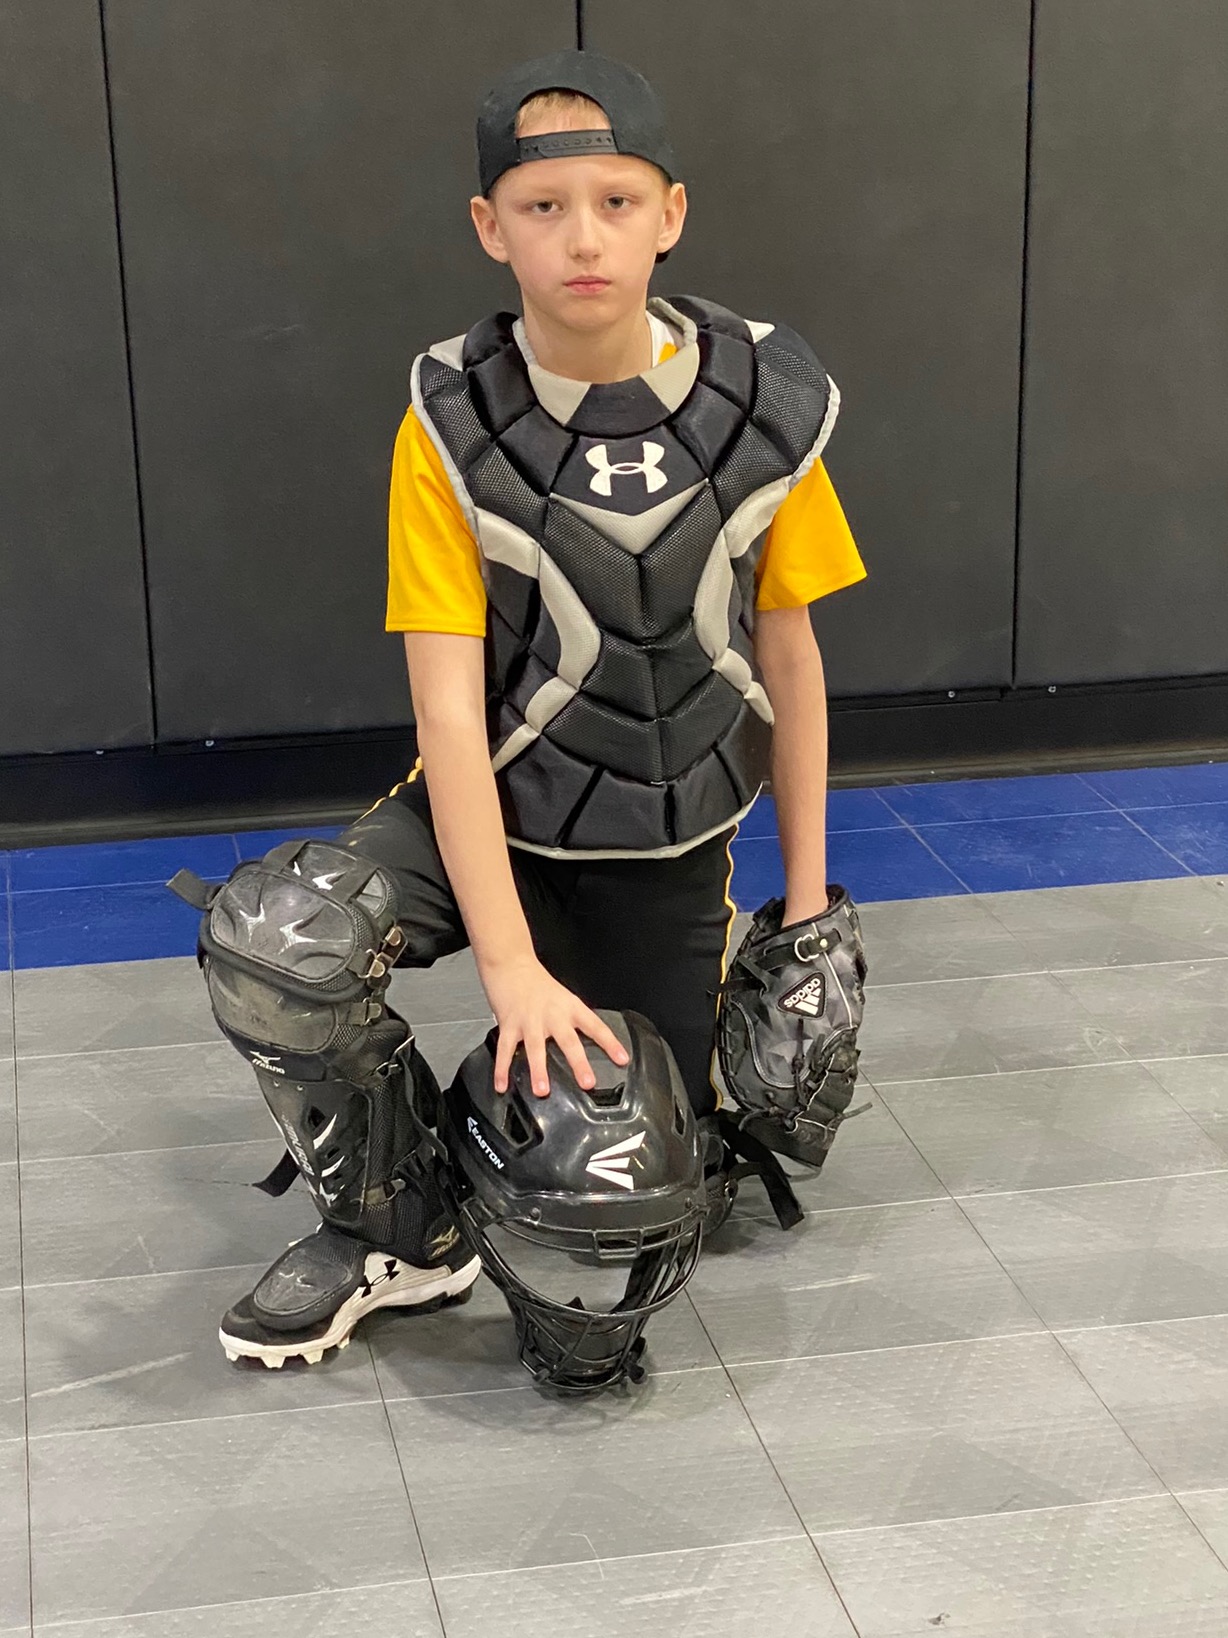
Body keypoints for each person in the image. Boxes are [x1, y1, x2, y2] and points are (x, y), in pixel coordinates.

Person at [179, 48, 867, 1368]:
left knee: (620, 1228)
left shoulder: (766, 409)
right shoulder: (450, 425)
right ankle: (402, 1225)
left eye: (616, 202)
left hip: (661, 848)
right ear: (491, 228)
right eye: (543, 207)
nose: (583, 238)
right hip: (488, 811)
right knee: (282, 942)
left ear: (671, 214)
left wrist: (808, 907)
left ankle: (596, 1131)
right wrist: (510, 969)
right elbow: (446, 716)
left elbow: (791, 661)